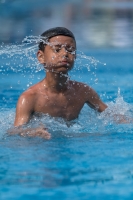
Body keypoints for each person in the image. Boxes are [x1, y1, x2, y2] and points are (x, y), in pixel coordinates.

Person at [12, 27, 107, 139]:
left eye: (70, 50)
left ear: (75, 56)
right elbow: (14, 131)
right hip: (43, 147)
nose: (65, 54)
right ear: (41, 57)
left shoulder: (83, 91)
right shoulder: (30, 98)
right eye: (57, 50)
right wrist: (32, 132)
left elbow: (109, 114)